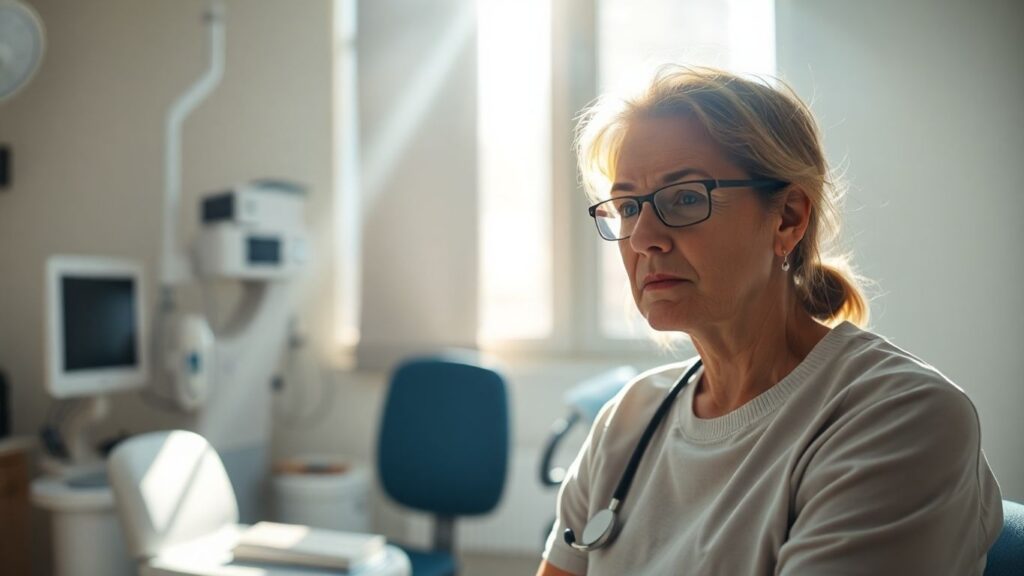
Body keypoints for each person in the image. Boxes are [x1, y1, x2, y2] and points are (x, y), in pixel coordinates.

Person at [536, 66, 1003, 575]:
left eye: (686, 197)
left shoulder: (900, 419)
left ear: (787, 218)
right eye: (628, 206)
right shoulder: (627, 419)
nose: (644, 237)